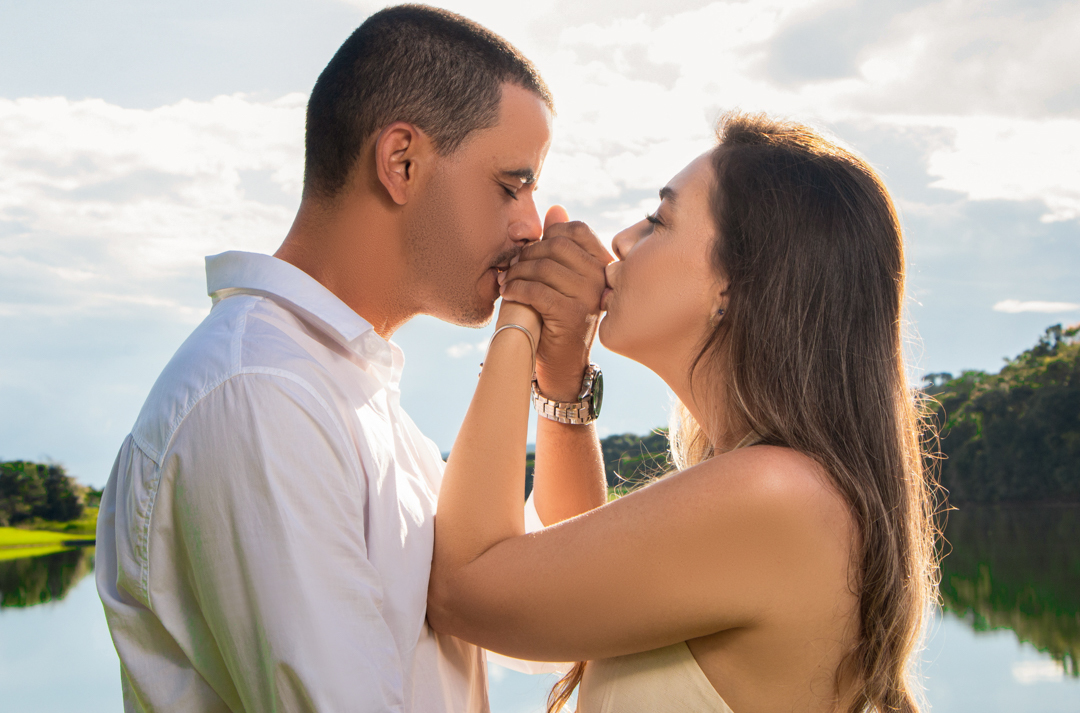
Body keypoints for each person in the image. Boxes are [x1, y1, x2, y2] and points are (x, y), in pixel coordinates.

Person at [95, 5, 611, 712]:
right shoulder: (263, 397)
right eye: (511, 184)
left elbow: (551, 626)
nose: (530, 223)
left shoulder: (355, 395)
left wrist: (560, 385)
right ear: (401, 161)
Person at [428, 112, 940, 713]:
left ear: (733, 285)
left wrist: (519, 315)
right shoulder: (775, 486)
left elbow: (465, 588)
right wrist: (562, 375)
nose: (621, 240)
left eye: (658, 221)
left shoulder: (776, 492)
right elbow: (574, 589)